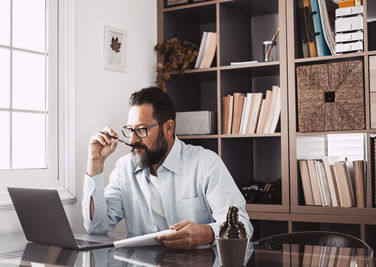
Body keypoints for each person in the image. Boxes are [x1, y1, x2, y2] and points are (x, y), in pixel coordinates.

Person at [82, 87, 253, 249]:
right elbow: (96, 227)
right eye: (130, 129)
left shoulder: (206, 163)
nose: (133, 140)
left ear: (168, 128)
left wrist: (206, 233)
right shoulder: (125, 168)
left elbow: (243, 226)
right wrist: (95, 161)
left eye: (141, 130)